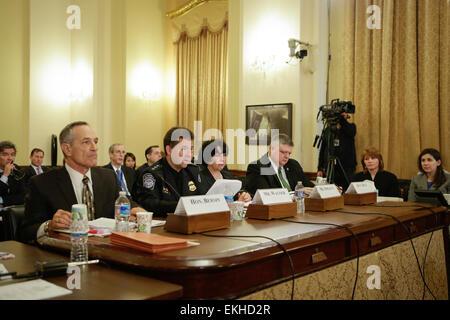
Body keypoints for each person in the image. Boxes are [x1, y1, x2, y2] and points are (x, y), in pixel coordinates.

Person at [21, 121, 144, 242]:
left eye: (95, 142)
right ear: (67, 149)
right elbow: (26, 231)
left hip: (106, 250)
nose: (95, 148)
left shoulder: (108, 177)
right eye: (86, 142)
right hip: (67, 254)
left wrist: (137, 210)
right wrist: (49, 226)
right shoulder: (42, 183)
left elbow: (123, 201)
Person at [132, 127, 206, 218]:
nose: (189, 154)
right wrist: (182, 206)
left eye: (191, 149)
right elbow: (149, 204)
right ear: (169, 150)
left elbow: (203, 197)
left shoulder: (193, 170)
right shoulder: (152, 174)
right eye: (184, 149)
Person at [245, 134, 314, 197]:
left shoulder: (293, 165)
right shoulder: (257, 167)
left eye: (289, 153)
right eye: (283, 152)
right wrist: (296, 194)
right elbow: (267, 196)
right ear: (272, 149)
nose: (287, 156)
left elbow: (309, 186)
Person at [317, 112, 356, 191]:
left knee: (346, 191)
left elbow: (350, 132)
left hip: (346, 168)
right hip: (329, 167)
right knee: (329, 191)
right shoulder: (328, 130)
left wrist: (342, 119)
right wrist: (320, 168)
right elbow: (323, 149)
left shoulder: (350, 127)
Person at [0, 141, 25, 207]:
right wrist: (5, 175)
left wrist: (2, 200)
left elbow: (23, 196)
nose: (10, 158)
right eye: (5, 155)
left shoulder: (17, 169)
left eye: (12, 154)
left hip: (12, 210)